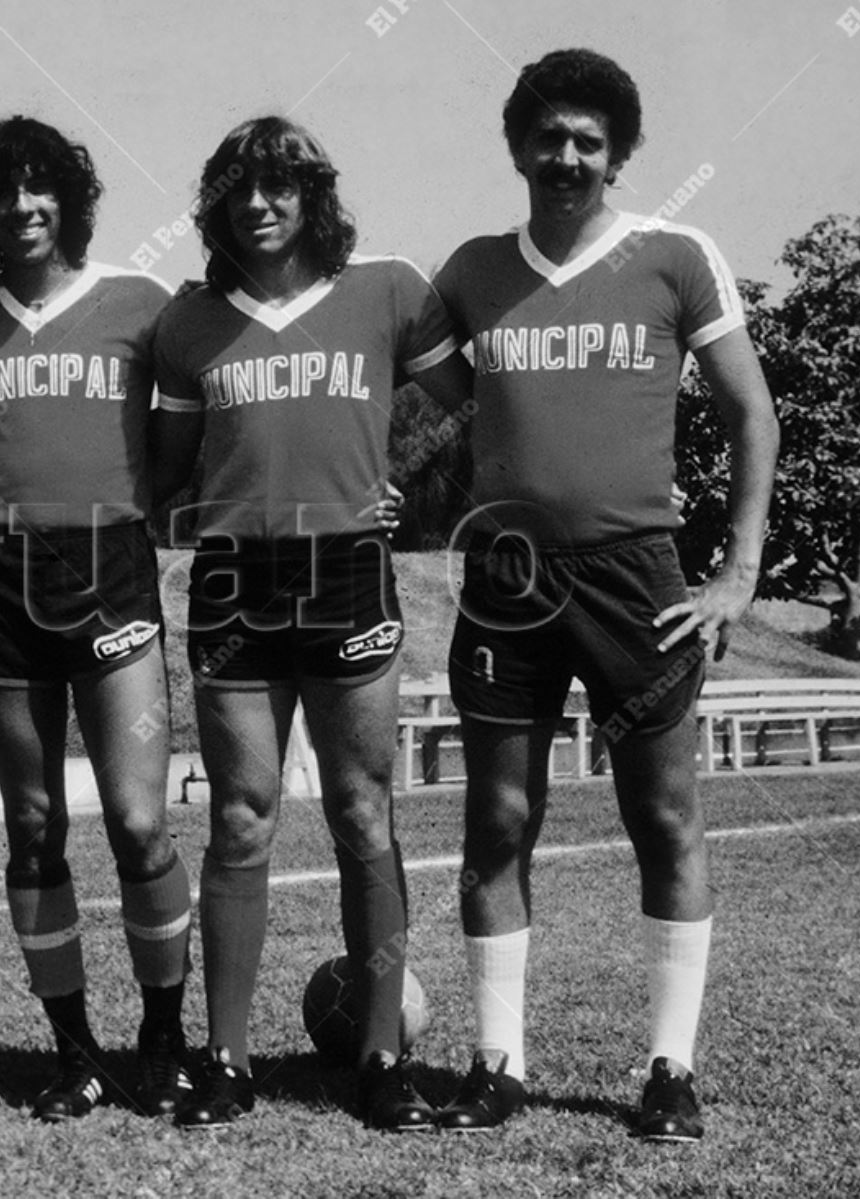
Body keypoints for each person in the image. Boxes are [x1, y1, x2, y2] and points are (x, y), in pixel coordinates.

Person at [430, 48, 777, 1143]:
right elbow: (450, 408)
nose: (568, 155)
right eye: (550, 137)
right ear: (518, 146)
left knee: (664, 815)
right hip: (509, 582)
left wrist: (736, 572)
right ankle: (498, 1065)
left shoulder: (676, 255)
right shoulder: (474, 272)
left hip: (639, 576)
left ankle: (670, 1067)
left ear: (619, 152)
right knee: (498, 820)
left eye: (590, 140)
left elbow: (751, 415)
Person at [152, 116, 472, 1131]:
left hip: (347, 568)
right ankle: (228, 1060)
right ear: (218, 205)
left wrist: (405, 489)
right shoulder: (190, 322)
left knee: (360, 808)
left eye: (280, 184)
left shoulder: (386, 288)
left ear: (313, 193)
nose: (259, 202)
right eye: (238, 188)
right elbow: (162, 476)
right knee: (241, 815)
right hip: (237, 577)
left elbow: (470, 407)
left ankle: (381, 1058)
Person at [0, 115, 191, 1121]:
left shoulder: (138, 303)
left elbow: (179, 442)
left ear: (69, 201)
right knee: (33, 824)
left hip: (112, 567)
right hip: (3, 571)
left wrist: (130, 512)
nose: (23, 207)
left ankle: (162, 1031)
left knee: (136, 818)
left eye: (41, 189)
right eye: (2, 192)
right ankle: (75, 1049)